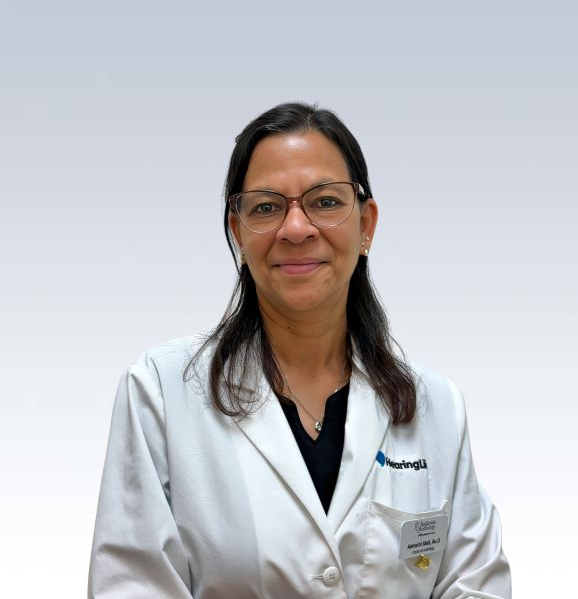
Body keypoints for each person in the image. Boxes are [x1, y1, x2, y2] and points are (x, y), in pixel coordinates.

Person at [88, 102, 511, 598]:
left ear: (366, 223)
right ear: (237, 232)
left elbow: (475, 585)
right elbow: (133, 586)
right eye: (266, 207)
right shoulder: (161, 391)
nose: (296, 228)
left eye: (325, 201)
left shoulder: (436, 406)